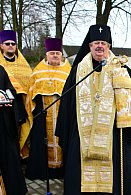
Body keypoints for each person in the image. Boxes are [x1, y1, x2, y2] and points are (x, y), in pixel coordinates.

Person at [55, 24, 131, 195]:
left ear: (109, 46)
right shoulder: (79, 70)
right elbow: (68, 101)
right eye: (95, 43)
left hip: (111, 131)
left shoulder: (120, 67)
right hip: (82, 130)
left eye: (103, 43)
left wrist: (123, 85)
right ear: (90, 46)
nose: (99, 46)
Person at [25, 38, 71, 179]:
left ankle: (62, 171)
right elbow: (31, 93)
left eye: (58, 53)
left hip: (63, 114)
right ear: (47, 54)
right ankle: (43, 171)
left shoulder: (68, 71)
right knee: (41, 142)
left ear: (61, 55)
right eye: (52, 53)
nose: (55, 55)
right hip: (43, 115)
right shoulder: (38, 71)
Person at [0, 30, 32, 158]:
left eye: (13, 43)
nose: (10, 46)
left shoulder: (24, 65)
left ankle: (20, 157)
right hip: (4, 107)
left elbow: (30, 83)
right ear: (1, 46)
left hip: (21, 103)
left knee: (21, 129)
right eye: (7, 43)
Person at [0, 65, 28, 195]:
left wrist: (9, 97)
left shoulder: (0, 69)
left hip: (2, 123)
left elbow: (9, 89)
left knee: (8, 154)